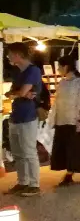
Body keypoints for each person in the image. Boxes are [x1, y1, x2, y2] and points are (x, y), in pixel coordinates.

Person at [3, 43, 42, 196]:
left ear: (18, 54)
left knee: (29, 151)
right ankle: (22, 182)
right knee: (18, 152)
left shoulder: (33, 70)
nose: (8, 57)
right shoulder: (17, 72)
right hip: (16, 116)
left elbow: (22, 91)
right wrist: (20, 93)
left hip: (27, 116)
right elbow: (14, 93)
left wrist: (20, 93)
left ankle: (34, 184)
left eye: (10, 54)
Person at [50, 56, 80, 186]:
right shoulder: (62, 82)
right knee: (63, 148)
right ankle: (68, 173)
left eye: (59, 67)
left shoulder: (79, 82)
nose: (58, 69)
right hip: (61, 120)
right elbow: (57, 101)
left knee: (73, 149)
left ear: (66, 67)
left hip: (74, 121)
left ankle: (69, 174)